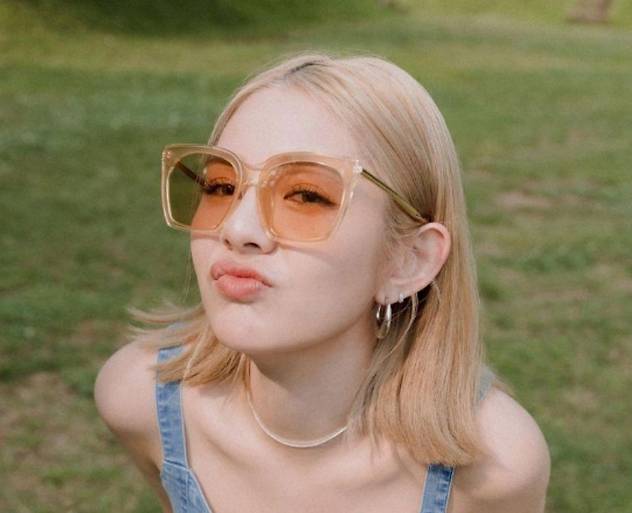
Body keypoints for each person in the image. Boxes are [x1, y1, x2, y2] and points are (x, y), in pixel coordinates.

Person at [94, 51, 551, 513]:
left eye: (306, 196)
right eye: (220, 187)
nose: (236, 228)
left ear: (409, 260)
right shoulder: (139, 401)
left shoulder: (495, 470)